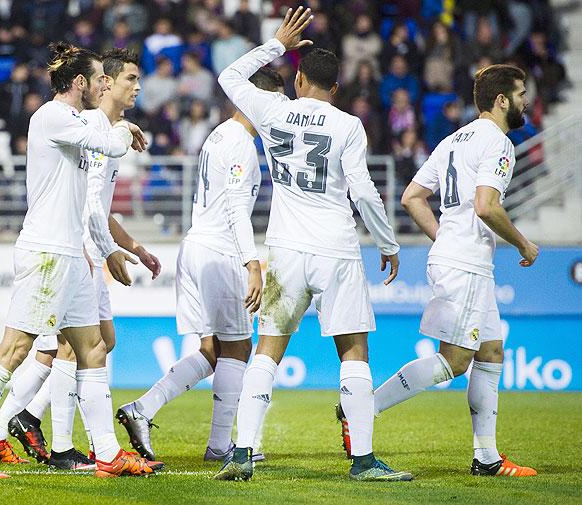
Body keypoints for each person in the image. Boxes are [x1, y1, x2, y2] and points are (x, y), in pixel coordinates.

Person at [214, 8, 410, 482]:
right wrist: (388, 242)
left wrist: (277, 43)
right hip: (336, 248)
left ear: (299, 80)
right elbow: (363, 191)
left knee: (267, 350)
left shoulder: (271, 109)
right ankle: (362, 461)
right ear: (335, 88)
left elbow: (228, 75)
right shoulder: (347, 126)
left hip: (285, 249)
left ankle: (241, 454)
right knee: (354, 351)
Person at [0, 42, 154, 479]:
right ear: (80, 83)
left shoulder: (79, 121)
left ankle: (107, 454)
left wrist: (110, 248)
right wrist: (124, 129)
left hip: (73, 253)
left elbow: (92, 187)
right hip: (46, 252)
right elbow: (109, 143)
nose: (105, 84)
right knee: (16, 349)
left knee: (93, 347)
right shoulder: (51, 116)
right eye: (100, 78)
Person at [367, 64, 538, 477]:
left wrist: (445, 238)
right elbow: (486, 205)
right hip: (465, 264)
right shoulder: (498, 142)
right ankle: (362, 409)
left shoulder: (453, 140)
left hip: (464, 260)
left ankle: (487, 458)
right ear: (501, 100)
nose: (525, 101)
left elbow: (412, 197)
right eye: (520, 94)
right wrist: (522, 243)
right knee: (455, 361)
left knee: (492, 352)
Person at [116, 67, 285, 465]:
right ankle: (219, 445)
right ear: (253, 100)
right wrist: (252, 263)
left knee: (212, 348)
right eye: (274, 102)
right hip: (219, 252)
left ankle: (144, 408)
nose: (277, 112)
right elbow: (235, 210)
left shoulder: (218, 133)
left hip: (194, 246)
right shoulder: (243, 144)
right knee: (239, 348)